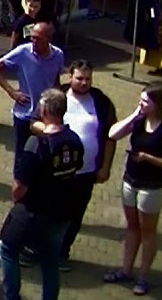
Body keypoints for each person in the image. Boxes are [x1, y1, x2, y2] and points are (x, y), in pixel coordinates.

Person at [0, 88, 83, 300]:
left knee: (7, 248)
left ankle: (12, 297)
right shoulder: (74, 140)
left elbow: (20, 187)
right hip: (62, 212)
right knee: (50, 260)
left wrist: (16, 199)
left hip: (33, 212)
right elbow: (77, 167)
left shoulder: (36, 144)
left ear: (43, 110)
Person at [104, 84, 162, 296]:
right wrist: (134, 115)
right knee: (132, 227)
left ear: (157, 104)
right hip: (130, 181)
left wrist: (148, 158)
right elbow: (113, 134)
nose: (141, 104)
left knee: (148, 232)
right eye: (141, 100)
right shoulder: (138, 121)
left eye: (145, 101)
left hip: (151, 188)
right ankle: (126, 270)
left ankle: (143, 277)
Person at [54, 60, 117, 269]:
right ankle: (40, 248)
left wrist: (105, 167)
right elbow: (36, 122)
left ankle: (62, 252)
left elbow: (110, 136)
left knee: (75, 214)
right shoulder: (57, 97)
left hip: (86, 172)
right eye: (79, 78)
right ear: (70, 76)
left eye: (88, 79)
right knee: (52, 211)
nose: (84, 83)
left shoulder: (101, 102)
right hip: (57, 171)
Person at [0, 22, 65, 156]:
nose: (33, 41)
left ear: (48, 39)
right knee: (22, 156)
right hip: (24, 114)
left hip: (46, 115)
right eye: (32, 37)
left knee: (45, 155)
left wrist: (58, 105)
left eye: (38, 38)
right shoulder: (23, 51)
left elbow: (55, 81)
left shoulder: (58, 55)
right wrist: (11, 91)